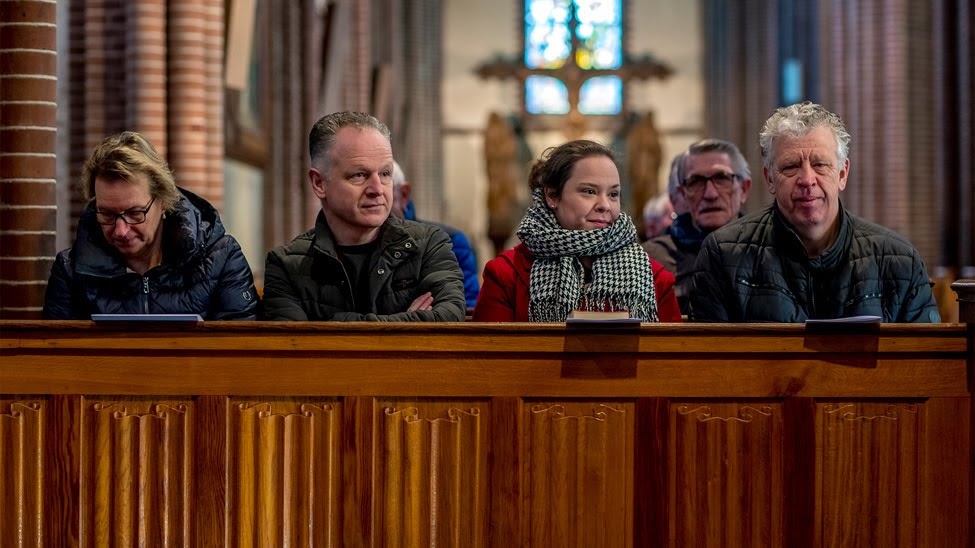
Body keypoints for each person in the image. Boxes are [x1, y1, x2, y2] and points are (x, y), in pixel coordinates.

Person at [690, 102, 940, 322]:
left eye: (820, 164)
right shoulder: (723, 256)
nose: (807, 180)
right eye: (790, 166)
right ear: (770, 179)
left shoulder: (899, 261)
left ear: (842, 174)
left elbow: (926, 358)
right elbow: (710, 359)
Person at [262, 111, 466, 321]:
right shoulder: (286, 266)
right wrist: (406, 325)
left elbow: (448, 317)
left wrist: (333, 324)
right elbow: (294, 341)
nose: (377, 189)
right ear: (319, 183)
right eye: (359, 175)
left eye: (385, 174)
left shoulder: (429, 245)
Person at [43, 131, 258, 319]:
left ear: (163, 201)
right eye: (107, 214)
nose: (121, 230)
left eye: (135, 213)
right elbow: (57, 349)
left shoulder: (221, 259)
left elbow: (242, 347)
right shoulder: (70, 271)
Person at [473, 139, 682, 322]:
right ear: (552, 196)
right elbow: (489, 350)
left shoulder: (653, 278)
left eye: (613, 194)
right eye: (589, 191)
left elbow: (672, 351)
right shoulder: (506, 275)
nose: (605, 205)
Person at [643, 139, 752, 314]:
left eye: (722, 178)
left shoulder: (768, 252)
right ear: (683, 193)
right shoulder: (650, 261)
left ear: (744, 189)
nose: (710, 194)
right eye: (696, 182)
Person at [391, 160, 480, 311]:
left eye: (386, 183)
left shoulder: (450, 241)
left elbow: (466, 311)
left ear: (403, 194)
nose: (376, 192)